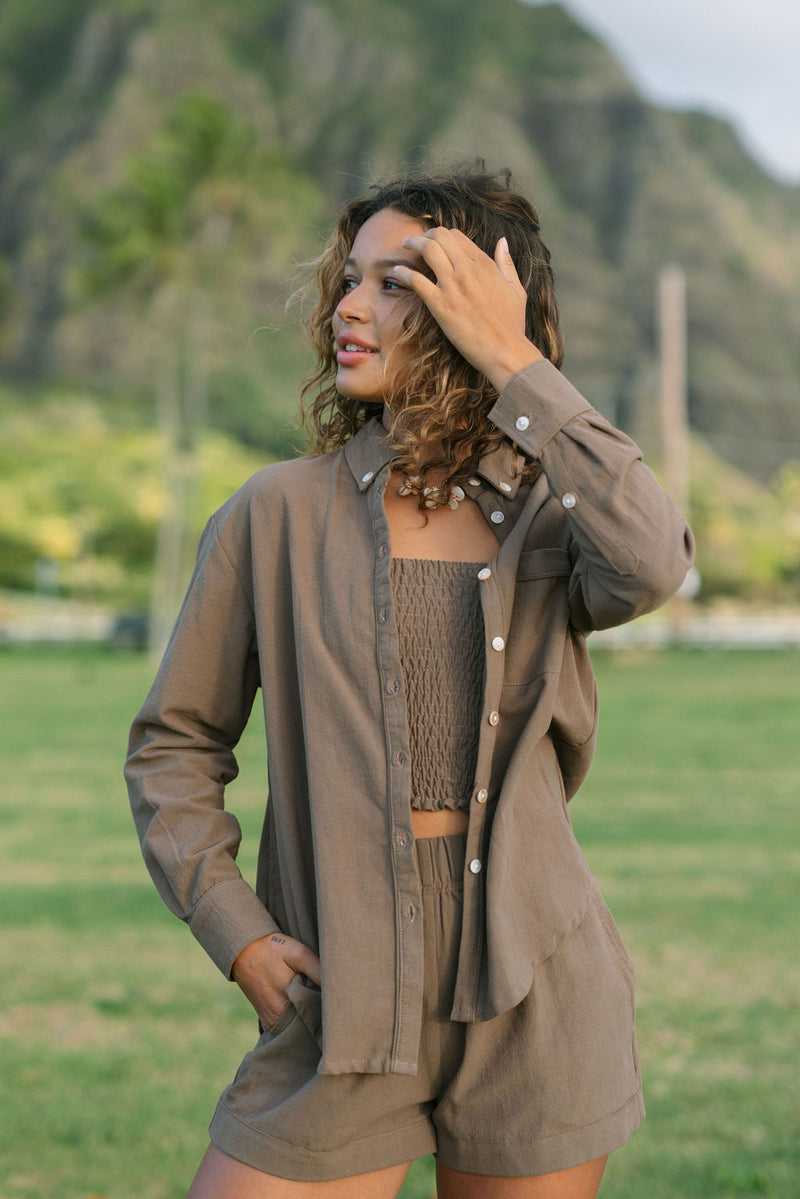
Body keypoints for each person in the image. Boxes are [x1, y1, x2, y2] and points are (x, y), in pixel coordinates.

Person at [125, 165, 694, 1199]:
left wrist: (513, 363)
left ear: (471, 308)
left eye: (394, 283)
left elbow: (653, 560)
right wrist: (235, 928)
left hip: (537, 990)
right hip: (336, 995)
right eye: (349, 281)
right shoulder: (274, 514)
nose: (346, 307)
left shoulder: (550, 516)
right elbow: (175, 742)